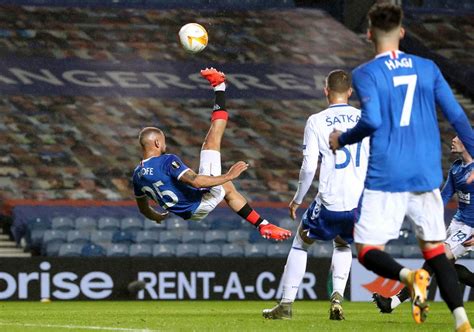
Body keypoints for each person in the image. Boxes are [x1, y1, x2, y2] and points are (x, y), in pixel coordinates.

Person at [328, 3, 474, 330]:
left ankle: (409, 276)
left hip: (388, 172)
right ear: (403, 33)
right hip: (425, 171)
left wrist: (342, 139)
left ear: (369, 34)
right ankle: (463, 322)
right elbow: (458, 117)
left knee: (367, 250)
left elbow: (373, 120)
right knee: (437, 252)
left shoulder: (365, 73)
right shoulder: (427, 67)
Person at [132, 67, 292, 241]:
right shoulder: (166, 160)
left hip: (189, 210)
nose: (165, 144)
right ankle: (220, 86)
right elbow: (196, 181)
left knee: (225, 183)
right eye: (163, 141)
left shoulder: (137, 174)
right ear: (157, 143)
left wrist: (156, 216)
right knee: (215, 147)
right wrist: (229, 175)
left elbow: (143, 208)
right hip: (198, 203)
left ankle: (263, 225)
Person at [262, 70, 369, 320]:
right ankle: (337, 297)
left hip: (330, 199)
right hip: (358, 202)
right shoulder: (364, 118)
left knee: (301, 243)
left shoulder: (317, 121)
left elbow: (309, 166)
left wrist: (298, 198)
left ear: (325, 90)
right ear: (350, 92)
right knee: (343, 244)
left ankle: (286, 304)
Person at [374, 135, 474, 313]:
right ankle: (393, 302)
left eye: (457, 137)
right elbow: (443, 197)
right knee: (443, 266)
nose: (452, 139)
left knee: (437, 258)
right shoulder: (456, 169)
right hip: (457, 222)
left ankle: (394, 301)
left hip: (470, 227)